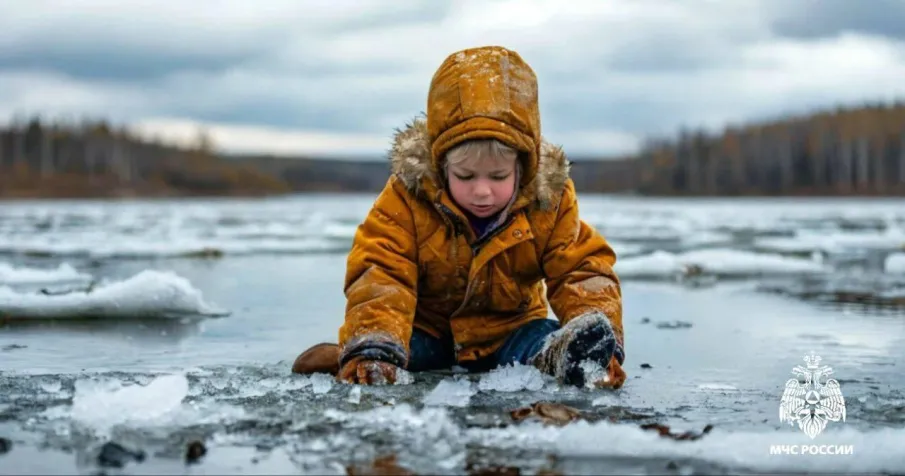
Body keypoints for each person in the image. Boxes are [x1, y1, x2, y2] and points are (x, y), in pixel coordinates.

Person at [322, 45, 626, 389]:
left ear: (522, 169)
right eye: (466, 177)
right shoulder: (408, 198)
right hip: (428, 332)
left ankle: (569, 357)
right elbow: (382, 270)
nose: (482, 191)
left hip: (509, 332)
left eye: (498, 177)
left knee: (541, 335)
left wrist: (601, 332)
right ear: (440, 166)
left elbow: (580, 269)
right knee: (394, 347)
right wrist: (374, 340)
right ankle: (367, 355)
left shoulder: (548, 204)